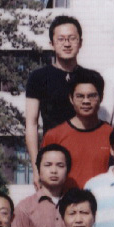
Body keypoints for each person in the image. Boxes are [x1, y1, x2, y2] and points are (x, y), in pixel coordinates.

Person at [25, 15, 100, 184]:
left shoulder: (91, 77)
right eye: (61, 39)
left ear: (80, 42)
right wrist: (36, 167)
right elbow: (31, 124)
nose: (67, 44)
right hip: (53, 156)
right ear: (52, 43)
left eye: (72, 38)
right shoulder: (38, 77)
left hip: (86, 153)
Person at [41, 68, 111, 191]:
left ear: (101, 97)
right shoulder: (54, 136)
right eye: (80, 96)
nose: (86, 101)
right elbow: (45, 179)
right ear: (71, 98)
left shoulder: (112, 135)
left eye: (92, 96)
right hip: (66, 201)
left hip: (103, 200)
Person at [12, 144, 71, 227]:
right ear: (38, 169)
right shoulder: (24, 208)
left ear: (67, 170)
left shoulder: (75, 206)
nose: (54, 171)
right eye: (48, 165)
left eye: (60, 165)